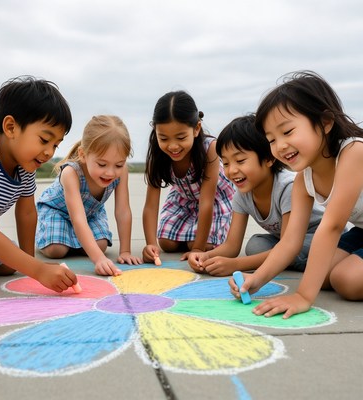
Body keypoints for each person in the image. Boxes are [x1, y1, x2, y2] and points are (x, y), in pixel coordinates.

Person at [230, 71, 363, 318]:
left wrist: (303, 296)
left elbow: (332, 226)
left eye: (288, 132)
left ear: (325, 122)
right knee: (322, 276)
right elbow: (290, 242)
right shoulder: (304, 178)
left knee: (346, 280)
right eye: (271, 139)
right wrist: (256, 279)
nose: (279, 145)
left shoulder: (353, 151)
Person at [0, 75, 78, 292]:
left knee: (10, 262)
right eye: (44, 140)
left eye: (55, 144)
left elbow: (26, 214)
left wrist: (31, 265)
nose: (49, 152)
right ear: (11, 127)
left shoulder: (25, 163)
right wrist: (39, 270)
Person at [188, 114, 323, 276]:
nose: (231, 170)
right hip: (285, 242)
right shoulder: (242, 194)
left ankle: (310, 261)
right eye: (225, 163)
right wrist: (204, 256)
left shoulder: (288, 187)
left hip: (316, 238)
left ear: (268, 158)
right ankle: (289, 261)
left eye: (240, 160)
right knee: (255, 245)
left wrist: (236, 265)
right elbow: (232, 246)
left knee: (295, 249)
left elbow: (289, 244)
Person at [36, 115, 142, 276]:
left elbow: (123, 211)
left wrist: (125, 251)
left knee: (100, 245)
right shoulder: (71, 172)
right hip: (58, 212)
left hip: (91, 214)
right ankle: (53, 235)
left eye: (119, 165)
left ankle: (74, 239)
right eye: (102, 164)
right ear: (83, 154)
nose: (110, 172)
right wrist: (98, 259)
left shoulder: (122, 172)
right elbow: (77, 218)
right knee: (56, 249)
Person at [142, 90, 235, 263]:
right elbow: (150, 205)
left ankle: (202, 238)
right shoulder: (157, 154)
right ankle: (189, 234)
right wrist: (150, 244)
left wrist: (198, 249)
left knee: (197, 244)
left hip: (215, 200)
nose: (173, 146)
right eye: (163, 138)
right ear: (156, 131)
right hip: (184, 199)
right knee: (166, 243)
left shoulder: (210, 148)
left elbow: (206, 201)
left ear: (196, 129)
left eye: (181, 137)